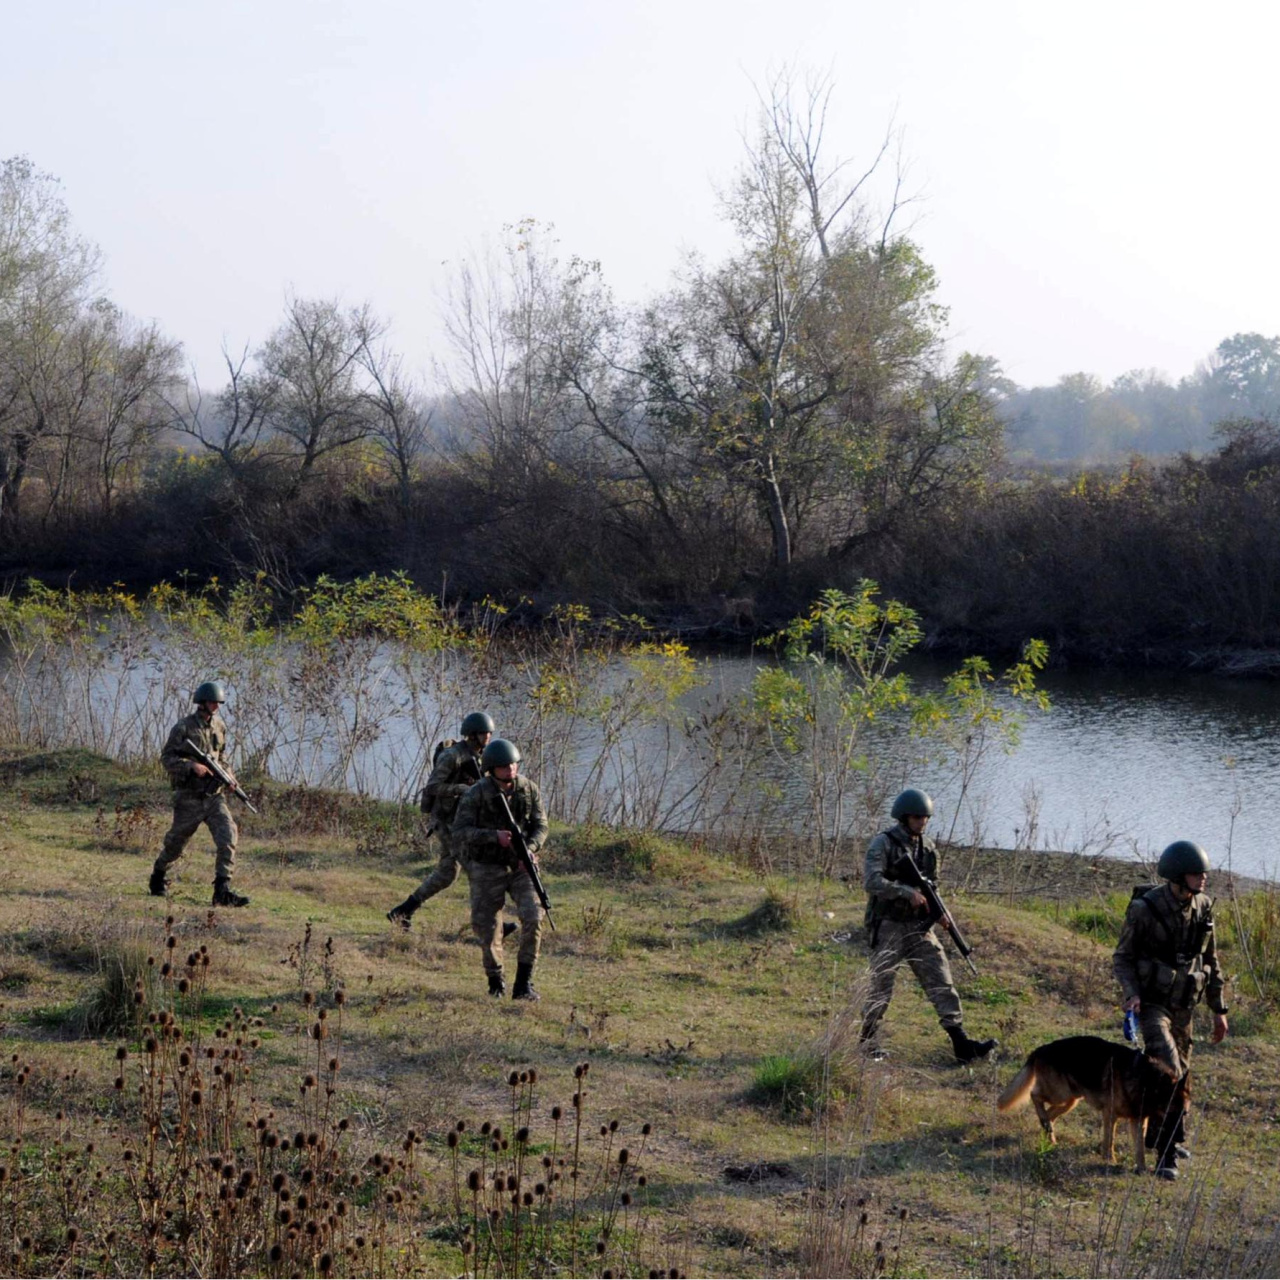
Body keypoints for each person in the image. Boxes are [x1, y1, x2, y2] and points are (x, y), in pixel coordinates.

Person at [1113, 839, 1228, 1180]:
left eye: (1204, 873)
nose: (1203, 878)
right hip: (1153, 1004)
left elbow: (1211, 961)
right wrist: (1132, 994)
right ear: (1178, 876)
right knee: (1170, 1072)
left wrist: (1219, 1009)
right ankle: (1166, 1156)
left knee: (1183, 1074)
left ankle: (1164, 1137)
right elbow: (1123, 957)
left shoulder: (1203, 907)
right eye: (1196, 873)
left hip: (1185, 1006)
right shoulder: (1145, 909)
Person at [859, 788, 997, 1062]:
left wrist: (939, 912)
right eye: (917, 817)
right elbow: (871, 882)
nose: (922, 822)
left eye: (926, 817)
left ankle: (961, 1043)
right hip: (888, 925)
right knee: (881, 986)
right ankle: (867, 1040)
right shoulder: (883, 844)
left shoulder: (928, 848)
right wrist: (905, 892)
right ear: (904, 817)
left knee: (941, 979)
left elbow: (931, 886)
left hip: (918, 927)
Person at [452, 738, 549, 1000]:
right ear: (491, 768)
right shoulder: (476, 794)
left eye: (513, 764)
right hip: (486, 866)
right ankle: (496, 980)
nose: (510, 770)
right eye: (504, 766)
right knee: (487, 925)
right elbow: (460, 832)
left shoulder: (528, 790)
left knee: (534, 916)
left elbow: (541, 826)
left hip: (521, 865)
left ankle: (524, 984)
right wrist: (493, 836)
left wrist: (529, 848)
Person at [386, 712, 496, 928]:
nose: (489, 736)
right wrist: (460, 789)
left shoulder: (482, 756)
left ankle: (403, 911)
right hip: (446, 822)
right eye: (484, 733)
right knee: (476, 869)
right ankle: (492, 925)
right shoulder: (452, 756)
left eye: (490, 732)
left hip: (463, 821)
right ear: (473, 735)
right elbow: (433, 787)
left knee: (447, 874)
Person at [149, 680, 249, 907]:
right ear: (201, 703)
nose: (216, 706)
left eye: (218, 702)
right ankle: (158, 875)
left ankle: (221, 891)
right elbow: (166, 758)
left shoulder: (220, 727)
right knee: (176, 843)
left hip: (214, 796)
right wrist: (190, 767)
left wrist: (230, 777)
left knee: (228, 837)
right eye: (213, 702)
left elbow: (222, 758)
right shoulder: (183, 728)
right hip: (189, 797)